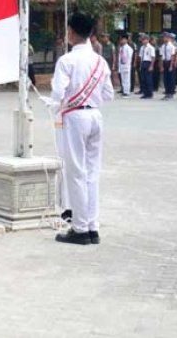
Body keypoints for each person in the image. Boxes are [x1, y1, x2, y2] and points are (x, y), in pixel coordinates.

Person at [41, 12, 114, 245]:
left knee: (76, 173)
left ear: (72, 32)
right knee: (92, 173)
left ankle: (80, 228)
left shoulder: (67, 61)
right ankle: (92, 226)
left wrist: (54, 105)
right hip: (95, 116)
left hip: (74, 118)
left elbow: (58, 93)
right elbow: (108, 95)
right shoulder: (100, 61)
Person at [160, 31, 177, 100]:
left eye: (164, 37)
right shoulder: (163, 46)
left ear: (168, 37)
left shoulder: (172, 46)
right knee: (165, 79)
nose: (163, 39)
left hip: (170, 62)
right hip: (165, 62)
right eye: (163, 37)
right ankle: (167, 92)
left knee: (171, 79)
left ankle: (171, 93)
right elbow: (161, 56)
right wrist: (161, 66)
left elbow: (173, 56)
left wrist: (171, 65)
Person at [138, 34, 156, 99]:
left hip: (148, 62)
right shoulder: (142, 48)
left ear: (147, 40)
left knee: (148, 79)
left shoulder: (151, 47)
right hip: (143, 63)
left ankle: (150, 93)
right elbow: (140, 57)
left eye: (144, 39)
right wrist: (140, 65)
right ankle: (145, 93)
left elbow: (153, 57)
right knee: (143, 79)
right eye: (142, 40)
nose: (143, 41)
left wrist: (151, 66)